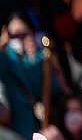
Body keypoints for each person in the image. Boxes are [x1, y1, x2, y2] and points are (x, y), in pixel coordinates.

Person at [0, 11, 62, 139]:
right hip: (14, 124)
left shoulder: (42, 57)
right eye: (14, 35)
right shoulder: (5, 58)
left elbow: (51, 89)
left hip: (37, 123)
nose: (19, 39)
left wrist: (35, 60)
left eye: (24, 34)